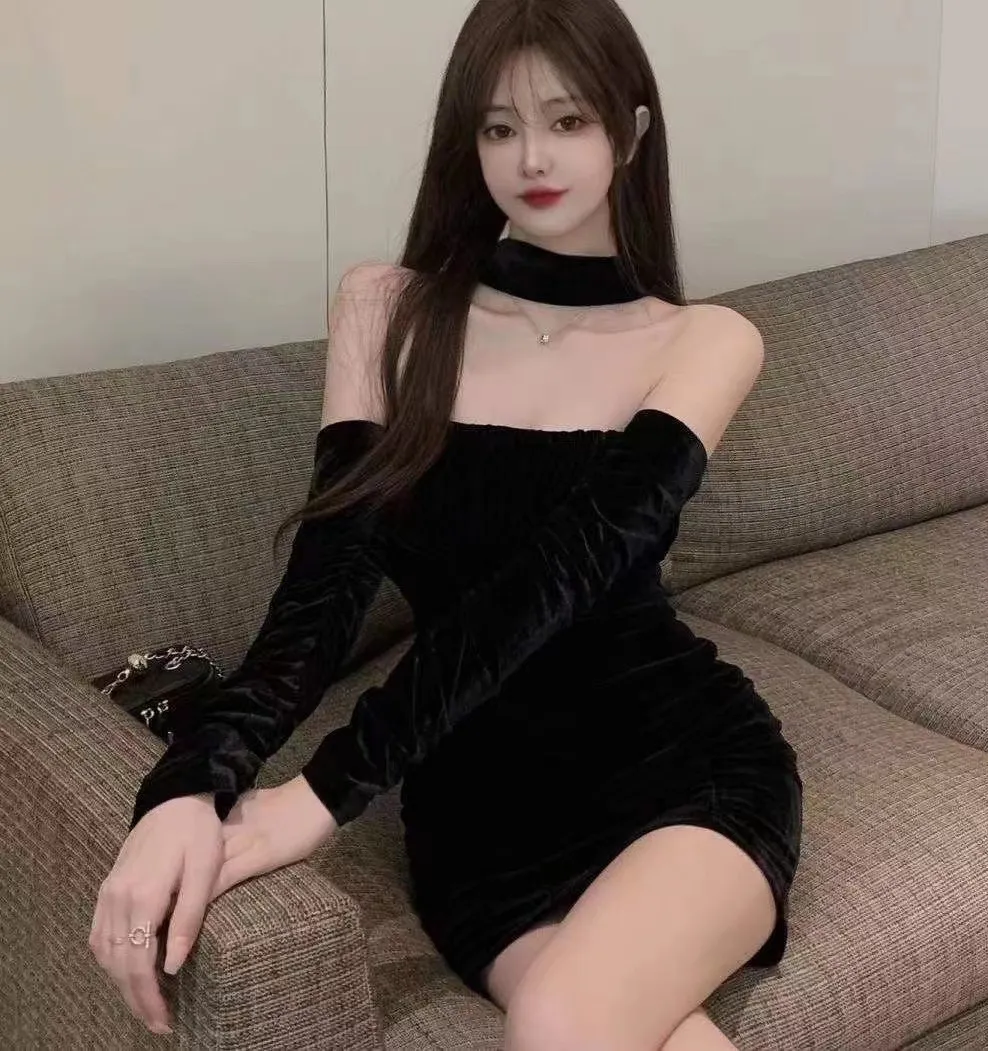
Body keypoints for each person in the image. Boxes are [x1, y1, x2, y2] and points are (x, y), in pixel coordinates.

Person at [89, 1, 803, 1048]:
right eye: (498, 127)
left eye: (568, 120)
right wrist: (189, 782)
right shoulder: (385, 309)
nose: (531, 157)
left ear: (631, 133)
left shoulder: (704, 341)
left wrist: (321, 794)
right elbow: (323, 592)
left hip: (676, 764)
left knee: (562, 1018)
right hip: (481, 810)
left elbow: (554, 584)